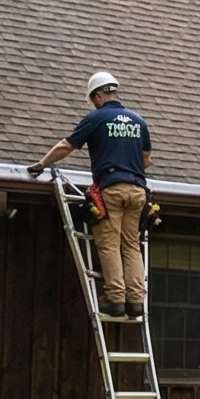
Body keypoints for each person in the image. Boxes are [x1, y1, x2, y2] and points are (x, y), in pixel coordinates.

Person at [33, 72, 152, 321]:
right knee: (131, 245)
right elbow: (146, 161)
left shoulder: (97, 118)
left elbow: (67, 145)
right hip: (138, 191)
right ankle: (136, 300)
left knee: (109, 243)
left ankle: (116, 298)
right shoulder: (138, 121)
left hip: (111, 188)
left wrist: (42, 163)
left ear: (98, 95)